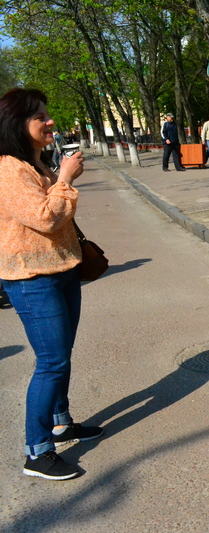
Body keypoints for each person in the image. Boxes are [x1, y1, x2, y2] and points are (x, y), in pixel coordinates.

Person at [0, 88, 103, 481]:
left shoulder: (32, 162)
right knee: (51, 361)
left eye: (47, 114)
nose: (50, 122)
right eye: (40, 117)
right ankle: (36, 450)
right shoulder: (10, 168)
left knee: (62, 354)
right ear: (16, 124)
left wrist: (56, 175)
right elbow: (45, 218)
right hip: (32, 279)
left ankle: (60, 423)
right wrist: (64, 178)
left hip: (60, 271)